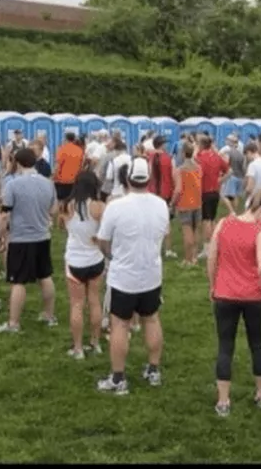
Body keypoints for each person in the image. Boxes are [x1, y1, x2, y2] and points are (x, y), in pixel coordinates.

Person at [96, 157, 170, 395]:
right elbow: (164, 233)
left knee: (120, 324)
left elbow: (103, 241)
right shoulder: (161, 205)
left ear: (127, 179)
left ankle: (118, 377)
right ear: (149, 179)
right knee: (151, 319)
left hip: (124, 276)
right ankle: (154, 370)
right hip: (151, 274)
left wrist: (111, 256)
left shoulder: (116, 207)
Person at [207, 189, 261, 416]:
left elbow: (212, 256)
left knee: (225, 346)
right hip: (253, 295)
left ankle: (223, 401)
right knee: (257, 344)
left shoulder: (224, 224)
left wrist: (212, 284)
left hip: (225, 293)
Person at [0, 148, 58, 334]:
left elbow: (5, 215)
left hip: (21, 238)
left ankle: (13, 323)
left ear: (18, 162)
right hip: (42, 236)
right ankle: (49, 315)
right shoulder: (48, 183)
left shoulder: (13, 185)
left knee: (18, 281)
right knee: (45, 276)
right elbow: (54, 210)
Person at [60, 170, 106, 360]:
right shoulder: (100, 207)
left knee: (77, 305)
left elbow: (62, 227)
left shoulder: (66, 206)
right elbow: (105, 233)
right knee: (95, 301)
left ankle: (78, 348)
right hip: (95, 259)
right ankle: (95, 343)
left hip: (75, 260)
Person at [196, 136, 229, 257]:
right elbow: (228, 170)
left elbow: (199, 173)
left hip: (205, 192)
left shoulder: (201, 158)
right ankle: (215, 244)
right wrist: (220, 180)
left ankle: (207, 248)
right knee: (212, 219)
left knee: (206, 220)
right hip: (215, 191)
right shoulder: (216, 157)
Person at [172, 143, 203, 266]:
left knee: (187, 231)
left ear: (184, 153)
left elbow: (178, 189)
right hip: (197, 202)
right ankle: (195, 257)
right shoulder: (199, 168)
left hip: (185, 203)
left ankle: (187, 259)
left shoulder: (180, 170)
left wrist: (172, 202)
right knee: (196, 230)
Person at [54, 132, 85, 202]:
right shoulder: (80, 150)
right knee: (71, 201)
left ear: (65, 139)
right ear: (74, 139)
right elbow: (81, 165)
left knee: (60, 201)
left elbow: (58, 165)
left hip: (61, 180)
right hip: (74, 180)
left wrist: (54, 176)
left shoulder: (62, 149)